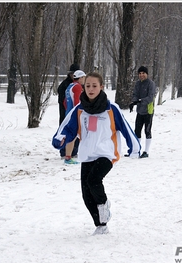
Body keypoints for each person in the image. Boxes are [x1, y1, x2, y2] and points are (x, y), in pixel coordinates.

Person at [52, 72, 141, 235]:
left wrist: (134, 147)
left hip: (106, 153)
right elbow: (68, 128)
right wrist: (61, 138)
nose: (91, 89)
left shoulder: (111, 108)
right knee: (86, 194)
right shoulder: (79, 109)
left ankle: (104, 204)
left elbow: (125, 128)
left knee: (94, 180)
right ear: (84, 87)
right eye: (88, 86)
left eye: (94, 86)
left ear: (101, 87)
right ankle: (101, 225)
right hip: (87, 154)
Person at [129, 66, 156, 158]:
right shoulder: (137, 84)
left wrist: (140, 101)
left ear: (147, 74)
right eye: (140, 73)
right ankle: (137, 150)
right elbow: (135, 94)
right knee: (137, 130)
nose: (141, 75)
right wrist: (133, 102)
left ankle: (146, 151)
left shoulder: (151, 84)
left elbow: (150, 97)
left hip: (148, 110)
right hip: (140, 111)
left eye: (143, 73)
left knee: (147, 130)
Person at [63, 70, 86, 164]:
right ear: (80, 78)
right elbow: (77, 102)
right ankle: (68, 157)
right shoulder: (78, 87)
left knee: (72, 135)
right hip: (75, 114)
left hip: (68, 113)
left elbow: (65, 102)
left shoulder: (69, 86)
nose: (85, 80)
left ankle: (68, 156)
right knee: (73, 136)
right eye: (84, 77)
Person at [57, 63, 80, 158]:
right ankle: (65, 151)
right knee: (66, 130)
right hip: (66, 111)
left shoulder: (72, 85)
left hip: (69, 110)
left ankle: (73, 151)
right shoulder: (67, 85)